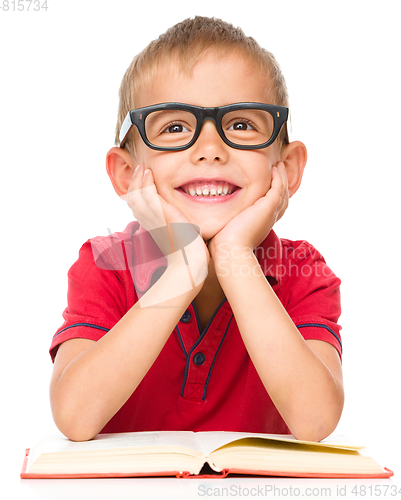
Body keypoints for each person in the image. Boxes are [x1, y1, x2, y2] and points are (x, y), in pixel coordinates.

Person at [49, 16, 344, 443]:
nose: (210, 150)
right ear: (128, 173)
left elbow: (315, 421)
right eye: (174, 128)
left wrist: (234, 256)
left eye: (241, 125)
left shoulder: (302, 271)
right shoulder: (105, 264)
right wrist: (183, 269)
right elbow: (75, 417)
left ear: (288, 168)